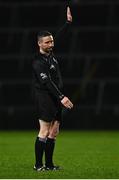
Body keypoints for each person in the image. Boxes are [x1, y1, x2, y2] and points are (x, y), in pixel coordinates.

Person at [32, 6, 73, 171]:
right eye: (47, 42)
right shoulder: (38, 61)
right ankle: (38, 165)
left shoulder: (50, 55)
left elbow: (60, 37)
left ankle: (49, 165)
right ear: (39, 43)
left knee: (54, 132)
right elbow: (47, 82)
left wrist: (68, 23)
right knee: (44, 130)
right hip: (45, 98)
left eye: (51, 41)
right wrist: (62, 97)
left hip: (55, 97)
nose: (51, 44)